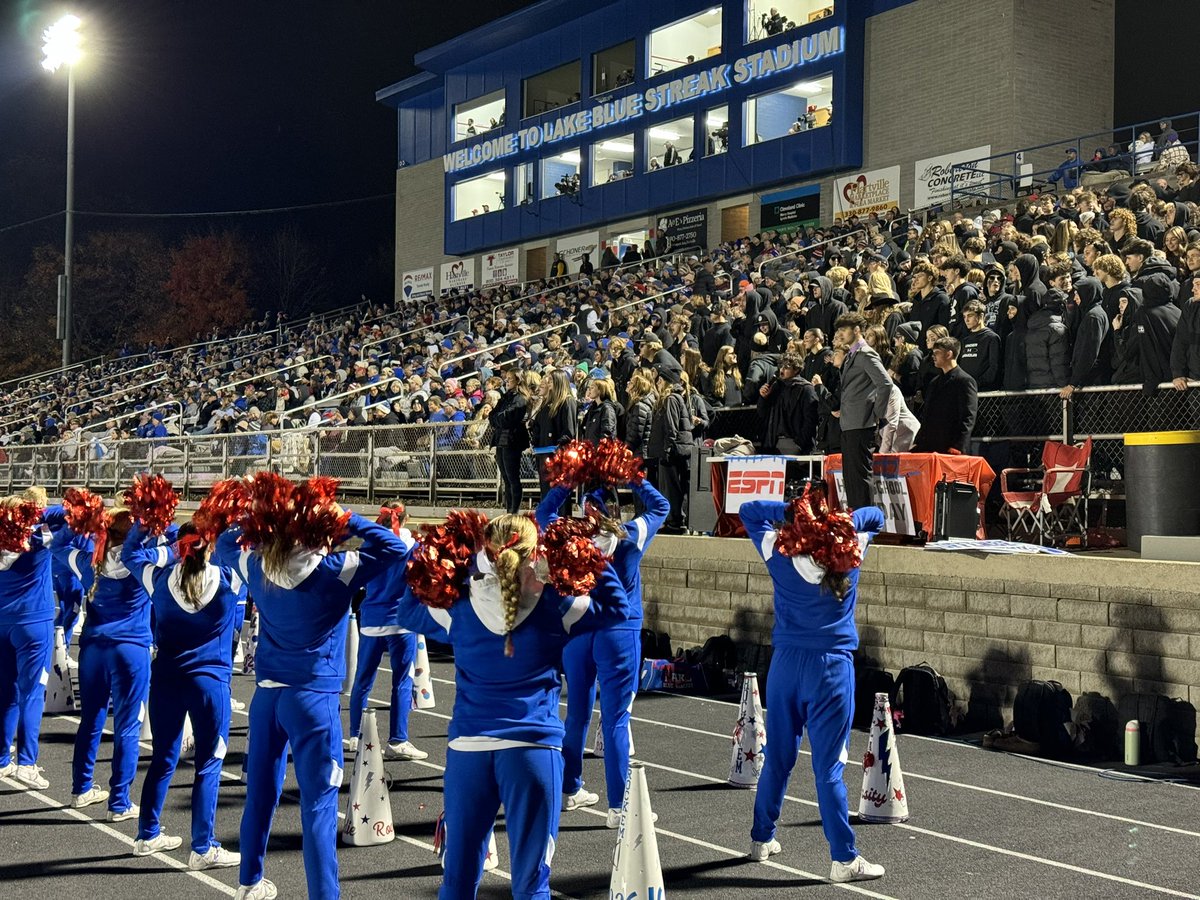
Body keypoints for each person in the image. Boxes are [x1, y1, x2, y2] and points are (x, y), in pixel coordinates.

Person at [394, 513, 631, 900]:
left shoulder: (458, 607)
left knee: (457, 881)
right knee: (530, 885)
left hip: (468, 752)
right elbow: (617, 607)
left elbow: (406, 608)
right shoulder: (558, 606)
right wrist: (583, 553)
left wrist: (430, 551)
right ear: (533, 552)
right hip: (533, 753)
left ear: (484, 550)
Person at [213, 479, 411, 900]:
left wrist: (260, 516)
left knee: (260, 795)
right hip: (313, 701)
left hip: (267, 698)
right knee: (318, 809)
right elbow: (395, 548)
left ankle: (249, 881)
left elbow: (222, 540)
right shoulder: (334, 572)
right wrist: (343, 517)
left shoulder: (254, 563)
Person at [740, 488, 886, 883]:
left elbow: (749, 511)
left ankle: (760, 839)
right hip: (831, 672)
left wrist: (790, 513)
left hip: (786, 666)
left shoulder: (780, 554)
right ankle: (843, 858)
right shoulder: (851, 549)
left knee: (780, 757)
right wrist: (838, 523)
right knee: (829, 769)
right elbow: (877, 516)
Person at [537, 474, 668, 825]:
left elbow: (544, 510)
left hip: (578, 629)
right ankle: (618, 804)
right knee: (615, 719)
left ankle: (569, 789)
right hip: (618, 632)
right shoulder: (629, 536)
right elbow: (661, 506)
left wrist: (566, 478)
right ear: (615, 507)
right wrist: (635, 477)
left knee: (576, 712)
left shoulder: (569, 538)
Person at [121, 517, 241, 868]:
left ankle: (147, 834)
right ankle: (202, 848)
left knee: (162, 758)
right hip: (209, 685)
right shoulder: (230, 581)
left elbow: (130, 553)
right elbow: (249, 553)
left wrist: (145, 522)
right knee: (208, 764)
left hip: (166, 681)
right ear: (210, 547)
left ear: (181, 547)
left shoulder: (157, 579)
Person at [68, 506, 175, 820]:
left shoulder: (90, 562)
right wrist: (152, 521)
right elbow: (176, 540)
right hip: (130, 650)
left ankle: (81, 788)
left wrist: (87, 522)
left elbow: (60, 545)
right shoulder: (143, 562)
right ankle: (119, 802)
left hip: (92, 650)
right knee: (127, 726)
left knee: (90, 720)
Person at [346, 502, 425, 760]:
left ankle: (355, 735)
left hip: (370, 620)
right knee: (402, 681)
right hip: (401, 622)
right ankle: (398, 739)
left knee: (362, 681)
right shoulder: (414, 548)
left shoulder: (370, 547)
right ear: (405, 519)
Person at [0, 488, 67, 789]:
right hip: (32, 623)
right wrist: (38, 511)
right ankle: (26, 763)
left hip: (2, 620)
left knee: (5, 692)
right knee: (32, 693)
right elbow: (67, 514)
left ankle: (2, 758)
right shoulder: (39, 540)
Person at [835, 313, 891, 510]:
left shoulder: (866, 353)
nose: (840, 334)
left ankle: (864, 525)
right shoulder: (853, 354)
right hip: (849, 423)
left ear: (857, 330)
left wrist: (876, 413)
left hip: (861, 423)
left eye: (844, 329)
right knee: (851, 479)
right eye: (839, 330)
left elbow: (885, 384)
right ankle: (856, 522)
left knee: (860, 478)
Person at [646, 367, 693, 533]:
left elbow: (671, 428)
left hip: (672, 452)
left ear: (665, 381)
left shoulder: (671, 399)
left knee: (671, 487)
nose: (657, 383)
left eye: (659, 380)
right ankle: (674, 519)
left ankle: (675, 521)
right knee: (671, 487)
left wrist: (666, 449)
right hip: (673, 450)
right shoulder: (675, 398)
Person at [912, 338, 978, 454]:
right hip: (929, 445)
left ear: (949, 354)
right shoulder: (934, 382)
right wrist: (919, 440)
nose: (933, 356)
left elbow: (968, 417)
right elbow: (927, 415)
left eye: (937, 352)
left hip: (949, 446)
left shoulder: (965, 381)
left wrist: (958, 446)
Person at [758, 352, 819, 454]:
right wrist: (763, 398)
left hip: (795, 442)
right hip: (774, 442)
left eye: (786, 367)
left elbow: (811, 420)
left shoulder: (806, 389)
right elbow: (762, 413)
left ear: (796, 370)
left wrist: (799, 443)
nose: (782, 370)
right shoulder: (776, 386)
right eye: (781, 366)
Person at [489, 369, 531, 514]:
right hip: (501, 438)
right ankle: (509, 509)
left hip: (513, 439)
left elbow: (510, 417)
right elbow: (492, 416)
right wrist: (499, 418)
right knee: (506, 478)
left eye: (510, 379)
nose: (507, 382)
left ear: (518, 380)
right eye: (506, 379)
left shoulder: (520, 398)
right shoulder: (506, 397)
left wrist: (499, 418)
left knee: (512, 477)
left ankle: (514, 510)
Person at [957, 299, 1001, 391]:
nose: (966, 320)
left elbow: (994, 368)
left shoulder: (992, 338)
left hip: (983, 391)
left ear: (981, 316)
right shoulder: (964, 340)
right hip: (964, 389)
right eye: (964, 317)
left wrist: (976, 383)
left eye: (970, 315)